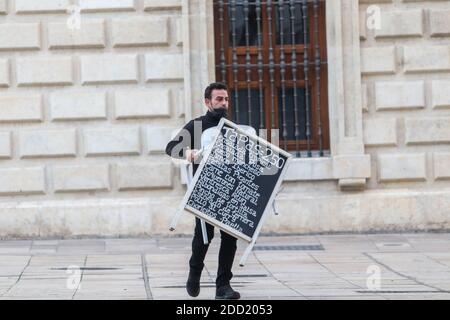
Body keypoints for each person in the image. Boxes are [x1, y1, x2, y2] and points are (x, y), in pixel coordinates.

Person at [165, 82, 240, 300]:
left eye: (226, 99)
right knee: (203, 237)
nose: (223, 103)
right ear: (207, 102)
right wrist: (187, 153)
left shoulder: (233, 128)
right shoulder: (196, 126)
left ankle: (223, 287)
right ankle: (194, 271)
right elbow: (171, 147)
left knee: (230, 238)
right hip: (204, 191)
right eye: (219, 99)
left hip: (230, 193)